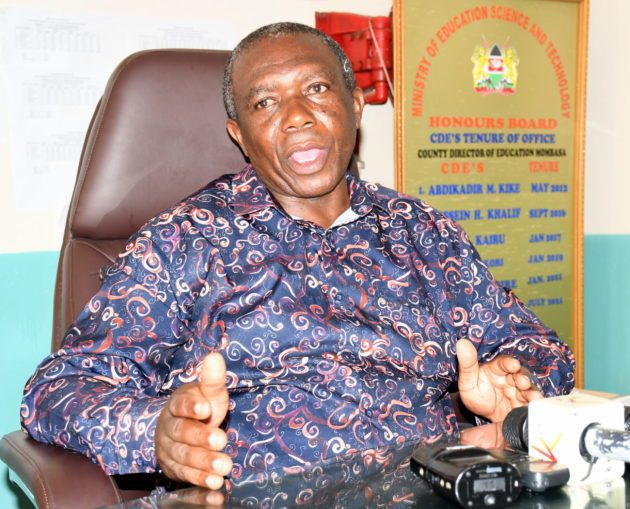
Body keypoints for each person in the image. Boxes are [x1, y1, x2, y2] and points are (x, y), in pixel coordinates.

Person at [21, 22, 575, 491]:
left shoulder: (421, 232)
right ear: (240, 135)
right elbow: (57, 389)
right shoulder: (186, 239)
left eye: (316, 89)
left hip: (426, 490)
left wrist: (515, 389)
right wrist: (158, 434)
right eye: (265, 102)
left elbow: (542, 348)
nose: (296, 116)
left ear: (354, 105)